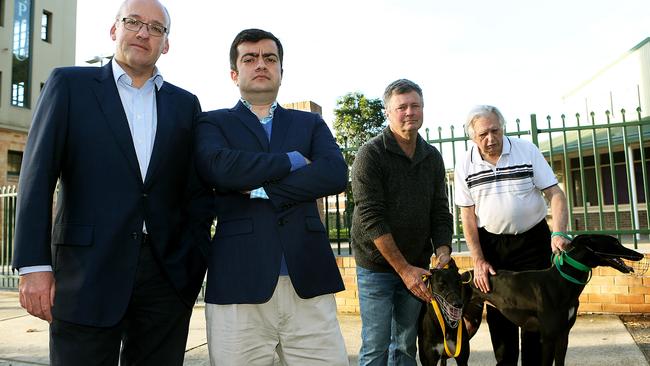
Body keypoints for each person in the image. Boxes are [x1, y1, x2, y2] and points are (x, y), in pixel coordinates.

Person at [12, 0, 212, 364]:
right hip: (86, 272)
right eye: (133, 22)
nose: (143, 33)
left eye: (156, 28)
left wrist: (193, 260)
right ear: (113, 30)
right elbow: (37, 176)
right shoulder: (69, 85)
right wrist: (34, 266)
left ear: (165, 43)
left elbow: (195, 191)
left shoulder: (185, 104)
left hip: (166, 277)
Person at [194, 28, 349, 365]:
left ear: (281, 70)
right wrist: (293, 161)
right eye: (249, 58)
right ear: (235, 73)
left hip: (307, 281)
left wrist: (260, 188)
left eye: (270, 58)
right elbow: (220, 169)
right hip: (239, 286)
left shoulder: (310, 124)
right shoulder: (212, 122)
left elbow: (335, 174)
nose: (261, 64)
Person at [454, 105, 570, 366]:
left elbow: (556, 194)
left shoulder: (526, 150)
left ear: (502, 127)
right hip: (493, 247)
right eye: (483, 134)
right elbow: (468, 216)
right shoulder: (465, 163)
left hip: (534, 241)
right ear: (472, 137)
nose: (491, 139)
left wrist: (559, 232)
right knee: (502, 320)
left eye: (495, 130)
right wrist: (478, 259)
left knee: (537, 322)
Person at [350, 78, 454, 365]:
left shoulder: (431, 157)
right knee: (376, 344)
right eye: (402, 107)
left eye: (415, 106)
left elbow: (440, 210)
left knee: (406, 345)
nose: (410, 112)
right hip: (377, 266)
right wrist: (403, 270)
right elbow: (372, 218)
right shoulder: (370, 155)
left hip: (417, 263)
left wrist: (443, 248)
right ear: (388, 112)